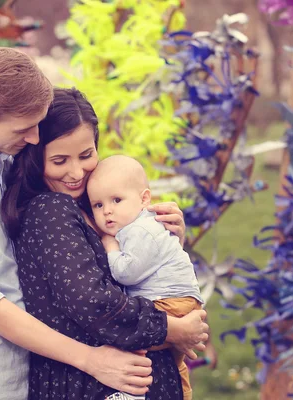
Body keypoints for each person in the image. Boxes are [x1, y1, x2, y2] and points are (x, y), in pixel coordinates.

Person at [0, 47, 204, 400]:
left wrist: (147, 230)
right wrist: (98, 357)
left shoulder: (7, 155)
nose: (33, 140)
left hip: (49, 368)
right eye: (25, 129)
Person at [0, 87, 209, 400]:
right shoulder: (50, 210)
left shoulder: (94, 206)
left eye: (86, 155)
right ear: (34, 158)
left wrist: (165, 237)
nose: (76, 173)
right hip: (90, 384)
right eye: (59, 161)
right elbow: (93, 303)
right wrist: (170, 329)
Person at [87, 155, 204, 400]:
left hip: (169, 302)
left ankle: (129, 395)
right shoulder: (136, 226)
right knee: (175, 363)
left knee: (129, 341)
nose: (107, 210)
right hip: (175, 300)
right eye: (98, 205)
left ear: (144, 199)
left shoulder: (141, 230)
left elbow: (126, 273)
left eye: (116, 200)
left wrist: (110, 246)